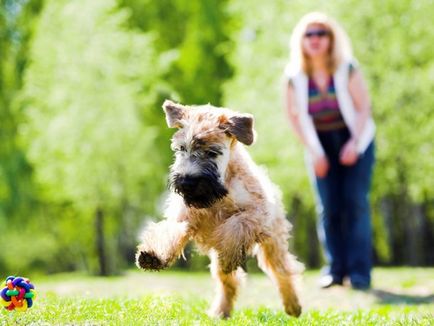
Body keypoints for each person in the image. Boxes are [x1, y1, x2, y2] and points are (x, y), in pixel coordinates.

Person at [284, 12, 375, 290]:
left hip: (355, 139)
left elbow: (363, 109)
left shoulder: (347, 67)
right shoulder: (294, 76)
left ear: (331, 39)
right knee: (329, 207)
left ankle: (359, 273)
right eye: (308, 34)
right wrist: (315, 152)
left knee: (355, 204)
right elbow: (294, 118)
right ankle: (335, 270)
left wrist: (354, 144)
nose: (314, 39)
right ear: (301, 41)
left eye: (321, 33)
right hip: (319, 144)